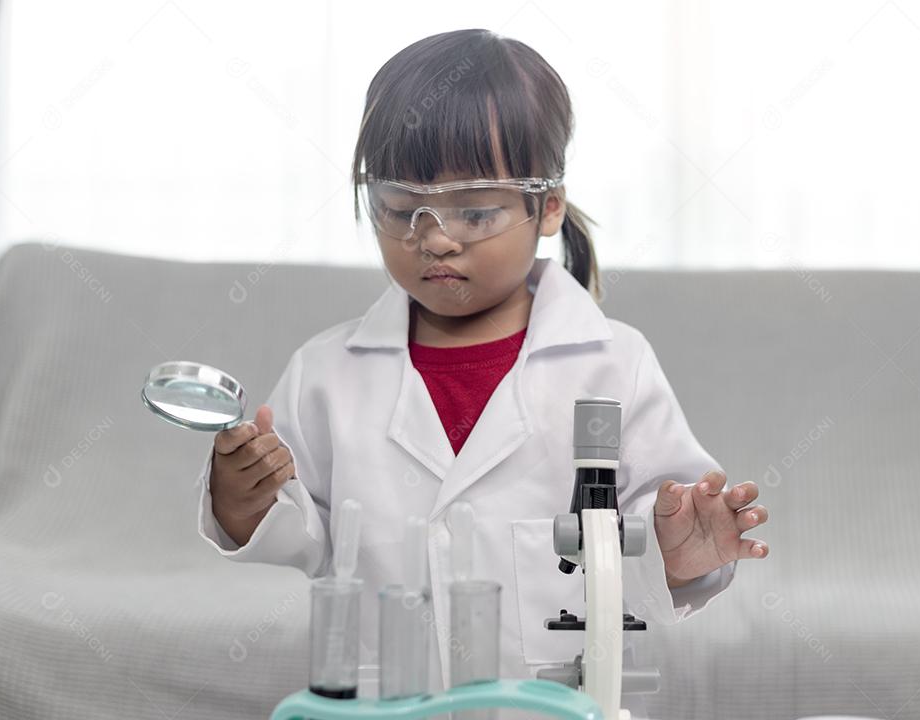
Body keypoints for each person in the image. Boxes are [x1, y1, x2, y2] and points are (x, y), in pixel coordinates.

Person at [196, 27, 768, 699]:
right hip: (387, 705)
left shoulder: (615, 364)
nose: (433, 239)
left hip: (554, 708)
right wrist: (241, 497)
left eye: (472, 212)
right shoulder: (327, 374)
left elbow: (639, 549)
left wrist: (683, 551)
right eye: (402, 210)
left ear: (547, 205)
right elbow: (302, 535)